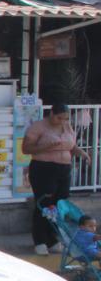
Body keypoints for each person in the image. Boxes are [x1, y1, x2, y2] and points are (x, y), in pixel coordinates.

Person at [24, 102, 91, 255]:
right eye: (59, 118)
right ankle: (40, 240)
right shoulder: (38, 127)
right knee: (45, 204)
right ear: (52, 114)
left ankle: (52, 239)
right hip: (43, 168)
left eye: (65, 119)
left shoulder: (66, 126)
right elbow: (26, 148)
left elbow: (71, 146)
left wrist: (82, 153)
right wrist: (46, 146)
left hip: (63, 169)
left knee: (59, 205)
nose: (62, 121)